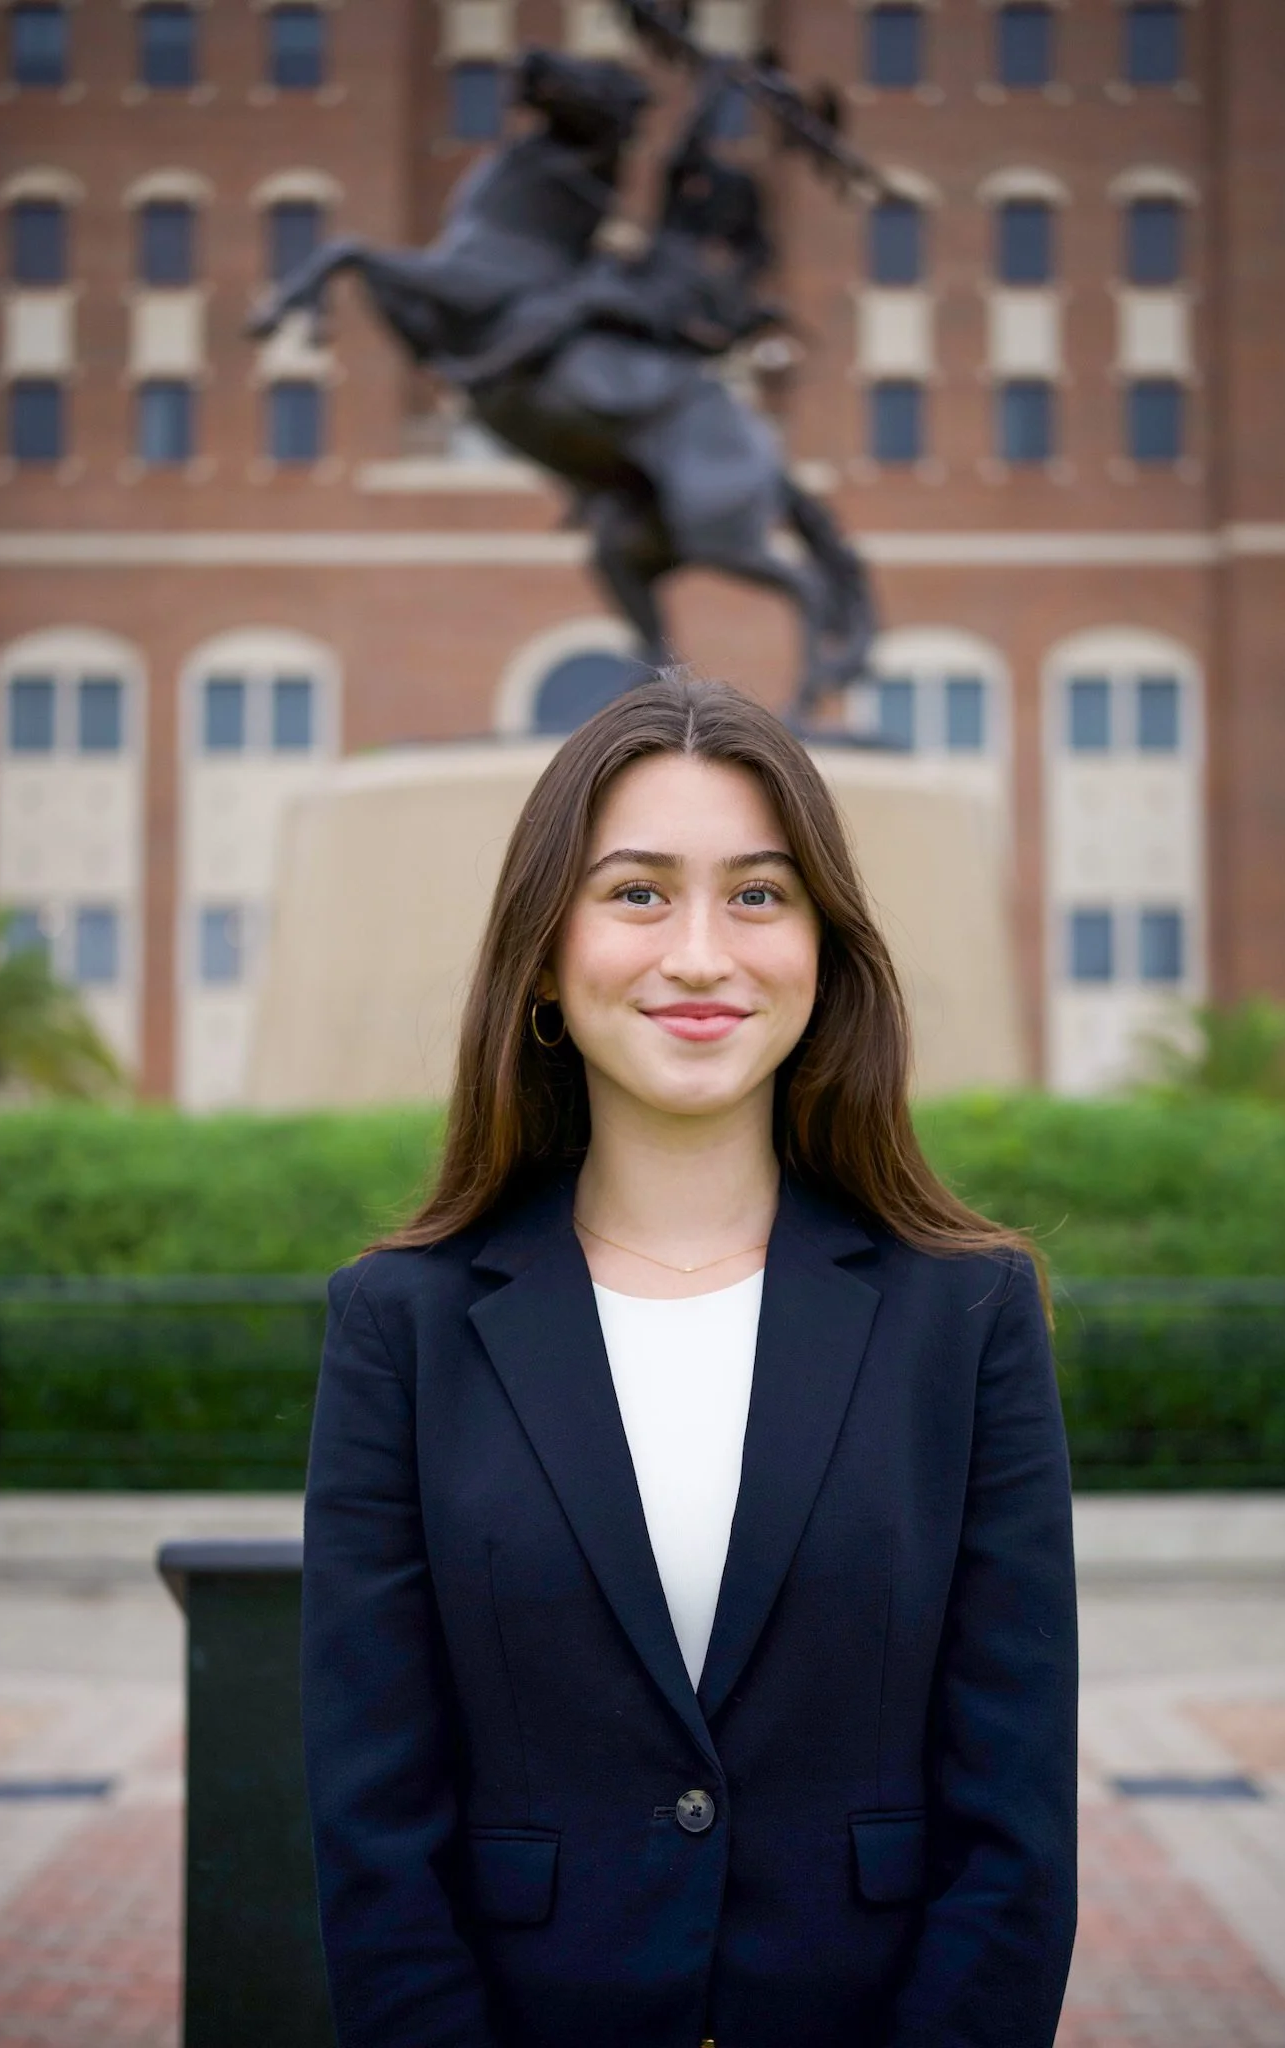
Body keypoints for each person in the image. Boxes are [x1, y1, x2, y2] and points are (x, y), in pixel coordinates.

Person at [301, 672, 1079, 2048]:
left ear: (826, 948)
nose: (704, 955)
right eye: (640, 893)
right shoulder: (401, 1323)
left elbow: (1011, 1827)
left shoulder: (967, 1316)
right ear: (545, 955)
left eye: (761, 895)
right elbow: (375, 1834)